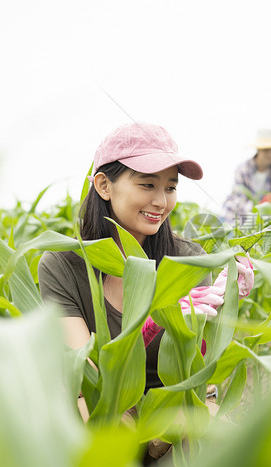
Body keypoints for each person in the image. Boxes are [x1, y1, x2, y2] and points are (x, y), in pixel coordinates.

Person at [37, 122, 254, 423]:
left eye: (170, 187)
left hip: (174, 410)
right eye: (147, 185)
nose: (162, 202)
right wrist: (148, 328)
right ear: (103, 185)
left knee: (215, 430)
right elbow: (89, 378)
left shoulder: (189, 261)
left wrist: (224, 304)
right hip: (103, 405)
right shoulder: (62, 265)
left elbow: (201, 384)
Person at [220, 129, 271, 224]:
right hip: (234, 218)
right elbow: (239, 199)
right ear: (258, 149)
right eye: (266, 149)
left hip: (257, 222)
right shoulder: (243, 169)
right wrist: (260, 207)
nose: (270, 154)